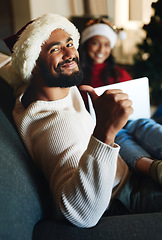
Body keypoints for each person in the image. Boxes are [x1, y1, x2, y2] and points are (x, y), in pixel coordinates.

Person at [4, 13, 162, 229]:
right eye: (55, 49)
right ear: (32, 64)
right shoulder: (53, 126)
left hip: (126, 172)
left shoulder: (46, 87)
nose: (70, 54)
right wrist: (105, 131)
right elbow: (81, 214)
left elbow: (7, 64)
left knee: (142, 125)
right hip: (124, 196)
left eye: (70, 43)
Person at [79, 17, 162, 185]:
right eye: (95, 43)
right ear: (87, 44)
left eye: (107, 44)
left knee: (144, 124)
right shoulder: (78, 77)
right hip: (105, 125)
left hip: (132, 118)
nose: (101, 49)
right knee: (120, 137)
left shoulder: (120, 74)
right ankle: (154, 168)